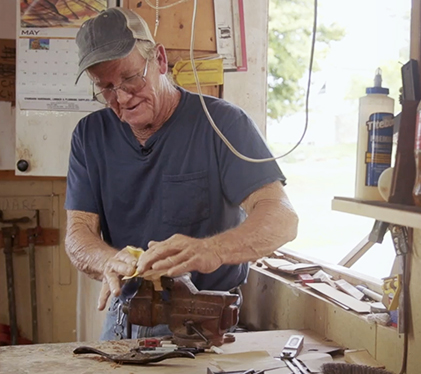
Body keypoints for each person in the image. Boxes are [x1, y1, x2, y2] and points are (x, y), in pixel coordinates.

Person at [64, 7, 298, 341]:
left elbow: (282, 217)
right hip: (124, 314)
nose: (122, 97)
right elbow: (78, 235)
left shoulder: (223, 124)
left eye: (130, 78)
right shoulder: (89, 135)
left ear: (159, 60)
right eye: (106, 88)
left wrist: (212, 250)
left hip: (203, 320)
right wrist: (108, 261)